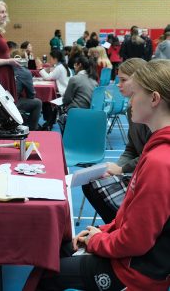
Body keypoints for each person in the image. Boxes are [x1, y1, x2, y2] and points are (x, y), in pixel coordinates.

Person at [37, 59, 170, 291]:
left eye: (134, 94)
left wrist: (97, 240)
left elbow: (136, 241)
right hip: (132, 259)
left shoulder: (159, 161)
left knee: (46, 276)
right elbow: (128, 218)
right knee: (60, 248)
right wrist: (101, 232)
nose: (129, 101)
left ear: (154, 99)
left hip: (135, 273)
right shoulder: (155, 148)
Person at [82, 58, 151, 223]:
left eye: (123, 80)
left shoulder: (150, 113)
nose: (118, 84)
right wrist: (117, 167)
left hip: (148, 174)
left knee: (96, 187)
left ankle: (122, 226)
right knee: (90, 183)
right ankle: (118, 226)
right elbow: (131, 149)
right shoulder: (131, 109)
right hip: (138, 168)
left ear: (139, 79)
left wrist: (121, 169)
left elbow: (149, 156)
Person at [58, 56, 97, 135]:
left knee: (60, 112)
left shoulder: (74, 79)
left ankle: (66, 140)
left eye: (75, 65)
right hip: (91, 113)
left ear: (79, 65)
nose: (74, 67)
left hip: (76, 112)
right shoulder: (94, 80)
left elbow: (66, 99)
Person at [9, 46, 42, 131]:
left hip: (2, 103)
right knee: (37, 103)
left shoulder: (5, 68)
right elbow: (31, 95)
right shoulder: (25, 72)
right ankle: (32, 129)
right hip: (12, 104)